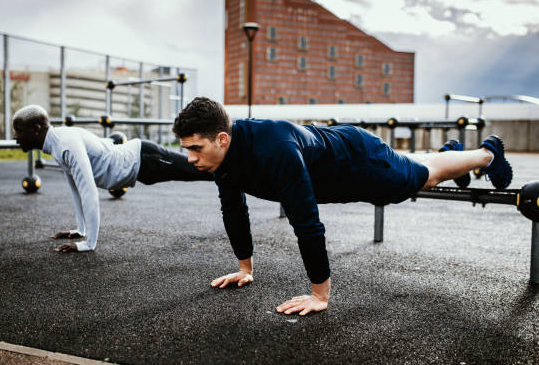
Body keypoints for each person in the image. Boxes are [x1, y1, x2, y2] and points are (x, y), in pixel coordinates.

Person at [172, 97, 513, 316]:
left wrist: (319, 295)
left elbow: (307, 223)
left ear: (221, 138)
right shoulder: (219, 159)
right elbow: (233, 210)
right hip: (332, 167)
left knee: (424, 179)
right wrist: (245, 269)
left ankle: (487, 153)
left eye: (195, 148)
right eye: (186, 149)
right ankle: (449, 155)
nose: (191, 158)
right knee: (420, 169)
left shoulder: (274, 151)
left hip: (358, 161)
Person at [12, 104, 213, 252]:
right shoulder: (57, 143)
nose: (16, 137)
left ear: (37, 129)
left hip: (146, 159)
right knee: (203, 170)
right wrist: (80, 230)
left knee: (203, 169)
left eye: (19, 131)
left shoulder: (65, 144)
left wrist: (88, 244)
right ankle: (229, 175)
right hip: (140, 166)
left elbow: (88, 192)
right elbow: (74, 188)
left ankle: (235, 174)